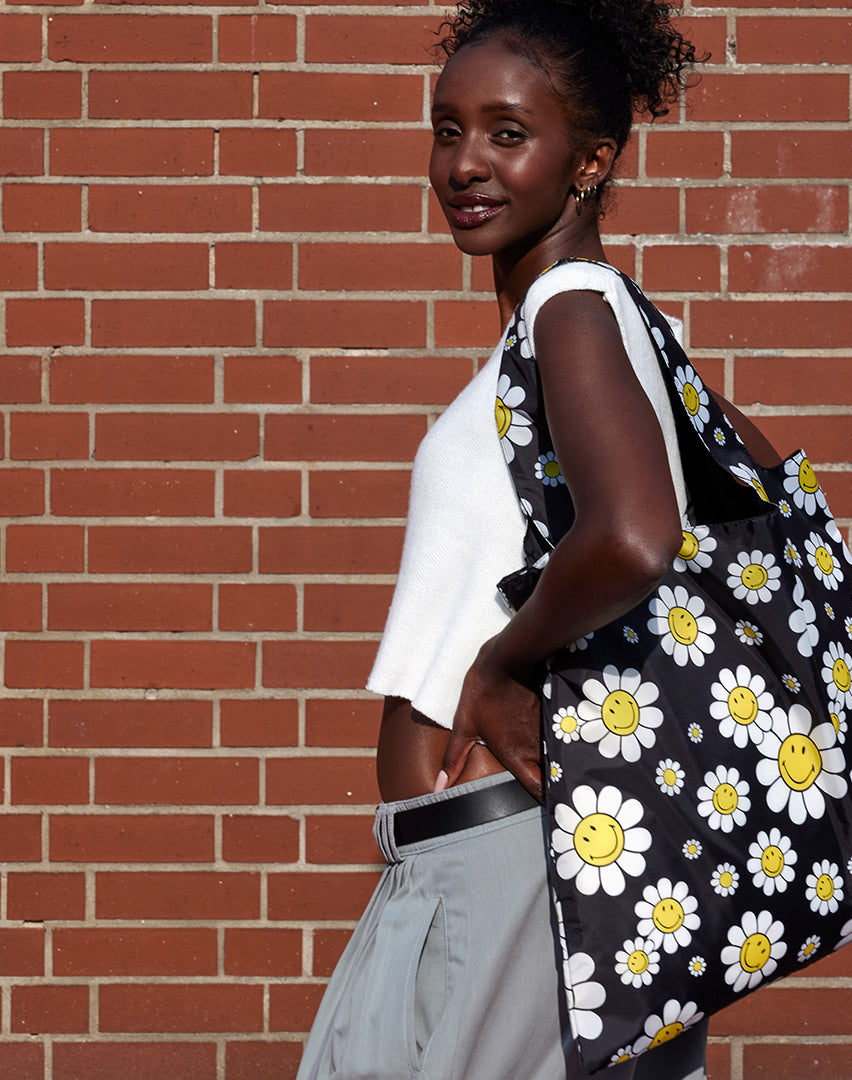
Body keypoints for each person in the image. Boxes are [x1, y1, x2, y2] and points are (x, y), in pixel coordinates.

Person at [295, 2, 779, 1077]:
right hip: (490, 855)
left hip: (515, 855)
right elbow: (753, 472)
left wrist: (504, 662)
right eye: (448, 128)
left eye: (508, 133)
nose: (465, 162)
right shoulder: (584, 324)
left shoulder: (572, 303)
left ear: (591, 161)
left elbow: (637, 532)